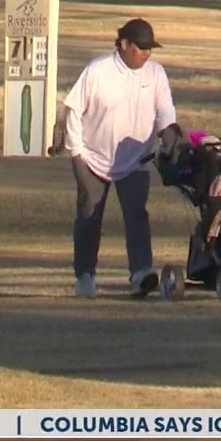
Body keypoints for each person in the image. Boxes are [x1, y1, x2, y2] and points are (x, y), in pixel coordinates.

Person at [62, 18, 177, 299]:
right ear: (124, 45)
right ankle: (85, 276)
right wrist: (76, 152)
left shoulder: (156, 74)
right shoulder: (97, 71)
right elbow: (73, 110)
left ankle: (140, 274)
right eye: (142, 48)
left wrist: (170, 138)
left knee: (137, 214)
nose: (147, 53)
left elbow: (165, 112)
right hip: (92, 157)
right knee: (89, 215)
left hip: (136, 159)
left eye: (150, 48)